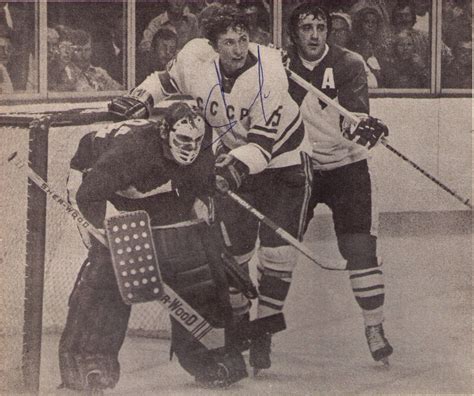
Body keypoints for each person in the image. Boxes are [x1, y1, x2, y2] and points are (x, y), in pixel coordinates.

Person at [109, 4, 312, 374]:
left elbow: (263, 147)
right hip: (235, 157)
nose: (238, 50)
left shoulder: (270, 75)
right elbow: (163, 80)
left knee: (278, 255)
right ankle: (239, 325)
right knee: (234, 256)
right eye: (229, 42)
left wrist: (231, 171)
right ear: (212, 45)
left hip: (284, 165)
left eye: (243, 40)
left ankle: (263, 329)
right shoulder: (195, 60)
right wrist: (139, 97)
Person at [59, 100, 248, 392]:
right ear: (164, 131)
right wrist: (112, 233)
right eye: (183, 139)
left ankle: (208, 356)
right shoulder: (132, 151)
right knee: (109, 272)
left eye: (197, 141)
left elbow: (201, 191)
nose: (190, 147)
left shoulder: (204, 149)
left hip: (156, 188)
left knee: (197, 267)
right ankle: (89, 363)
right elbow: (89, 196)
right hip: (99, 185)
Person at [286, 2, 393, 365]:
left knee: (360, 249)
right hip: (300, 167)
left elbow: (355, 116)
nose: (314, 35)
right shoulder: (278, 66)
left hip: (347, 166)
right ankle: (261, 333)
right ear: (294, 33)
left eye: (320, 27)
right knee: (278, 250)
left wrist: (362, 129)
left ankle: (374, 326)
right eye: (306, 28)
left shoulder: (349, 63)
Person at [56, 29, 123, 92]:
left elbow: (121, 91)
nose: (84, 55)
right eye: (79, 50)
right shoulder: (66, 74)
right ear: (70, 51)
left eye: (87, 50)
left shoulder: (99, 73)